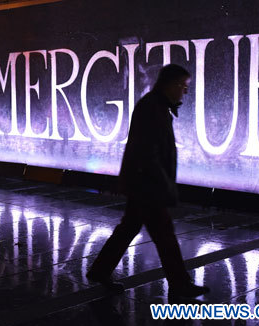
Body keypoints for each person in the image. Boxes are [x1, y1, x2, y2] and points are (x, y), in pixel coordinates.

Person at [86, 64, 210, 298]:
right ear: (171, 84)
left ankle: (100, 271)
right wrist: (164, 185)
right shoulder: (153, 107)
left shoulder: (156, 106)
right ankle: (180, 285)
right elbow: (148, 153)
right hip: (147, 185)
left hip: (143, 183)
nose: (185, 92)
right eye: (183, 86)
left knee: (130, 228)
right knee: (164, 235)